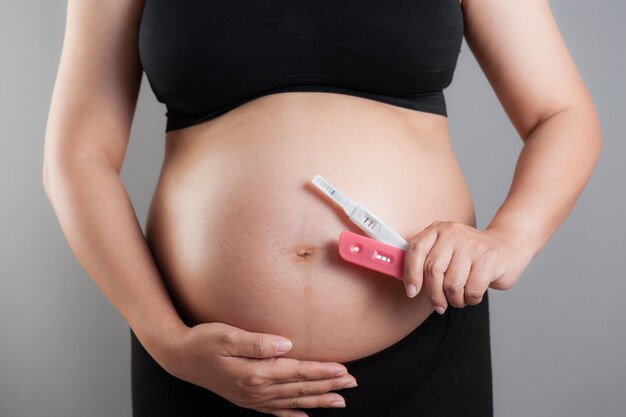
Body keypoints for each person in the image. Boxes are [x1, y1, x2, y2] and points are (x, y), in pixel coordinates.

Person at [43, 0, 601, 416]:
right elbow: (77, 156)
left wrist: (513, 236)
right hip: (202, 363)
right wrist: (166, 341)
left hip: (424, 350)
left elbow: (561, 114)